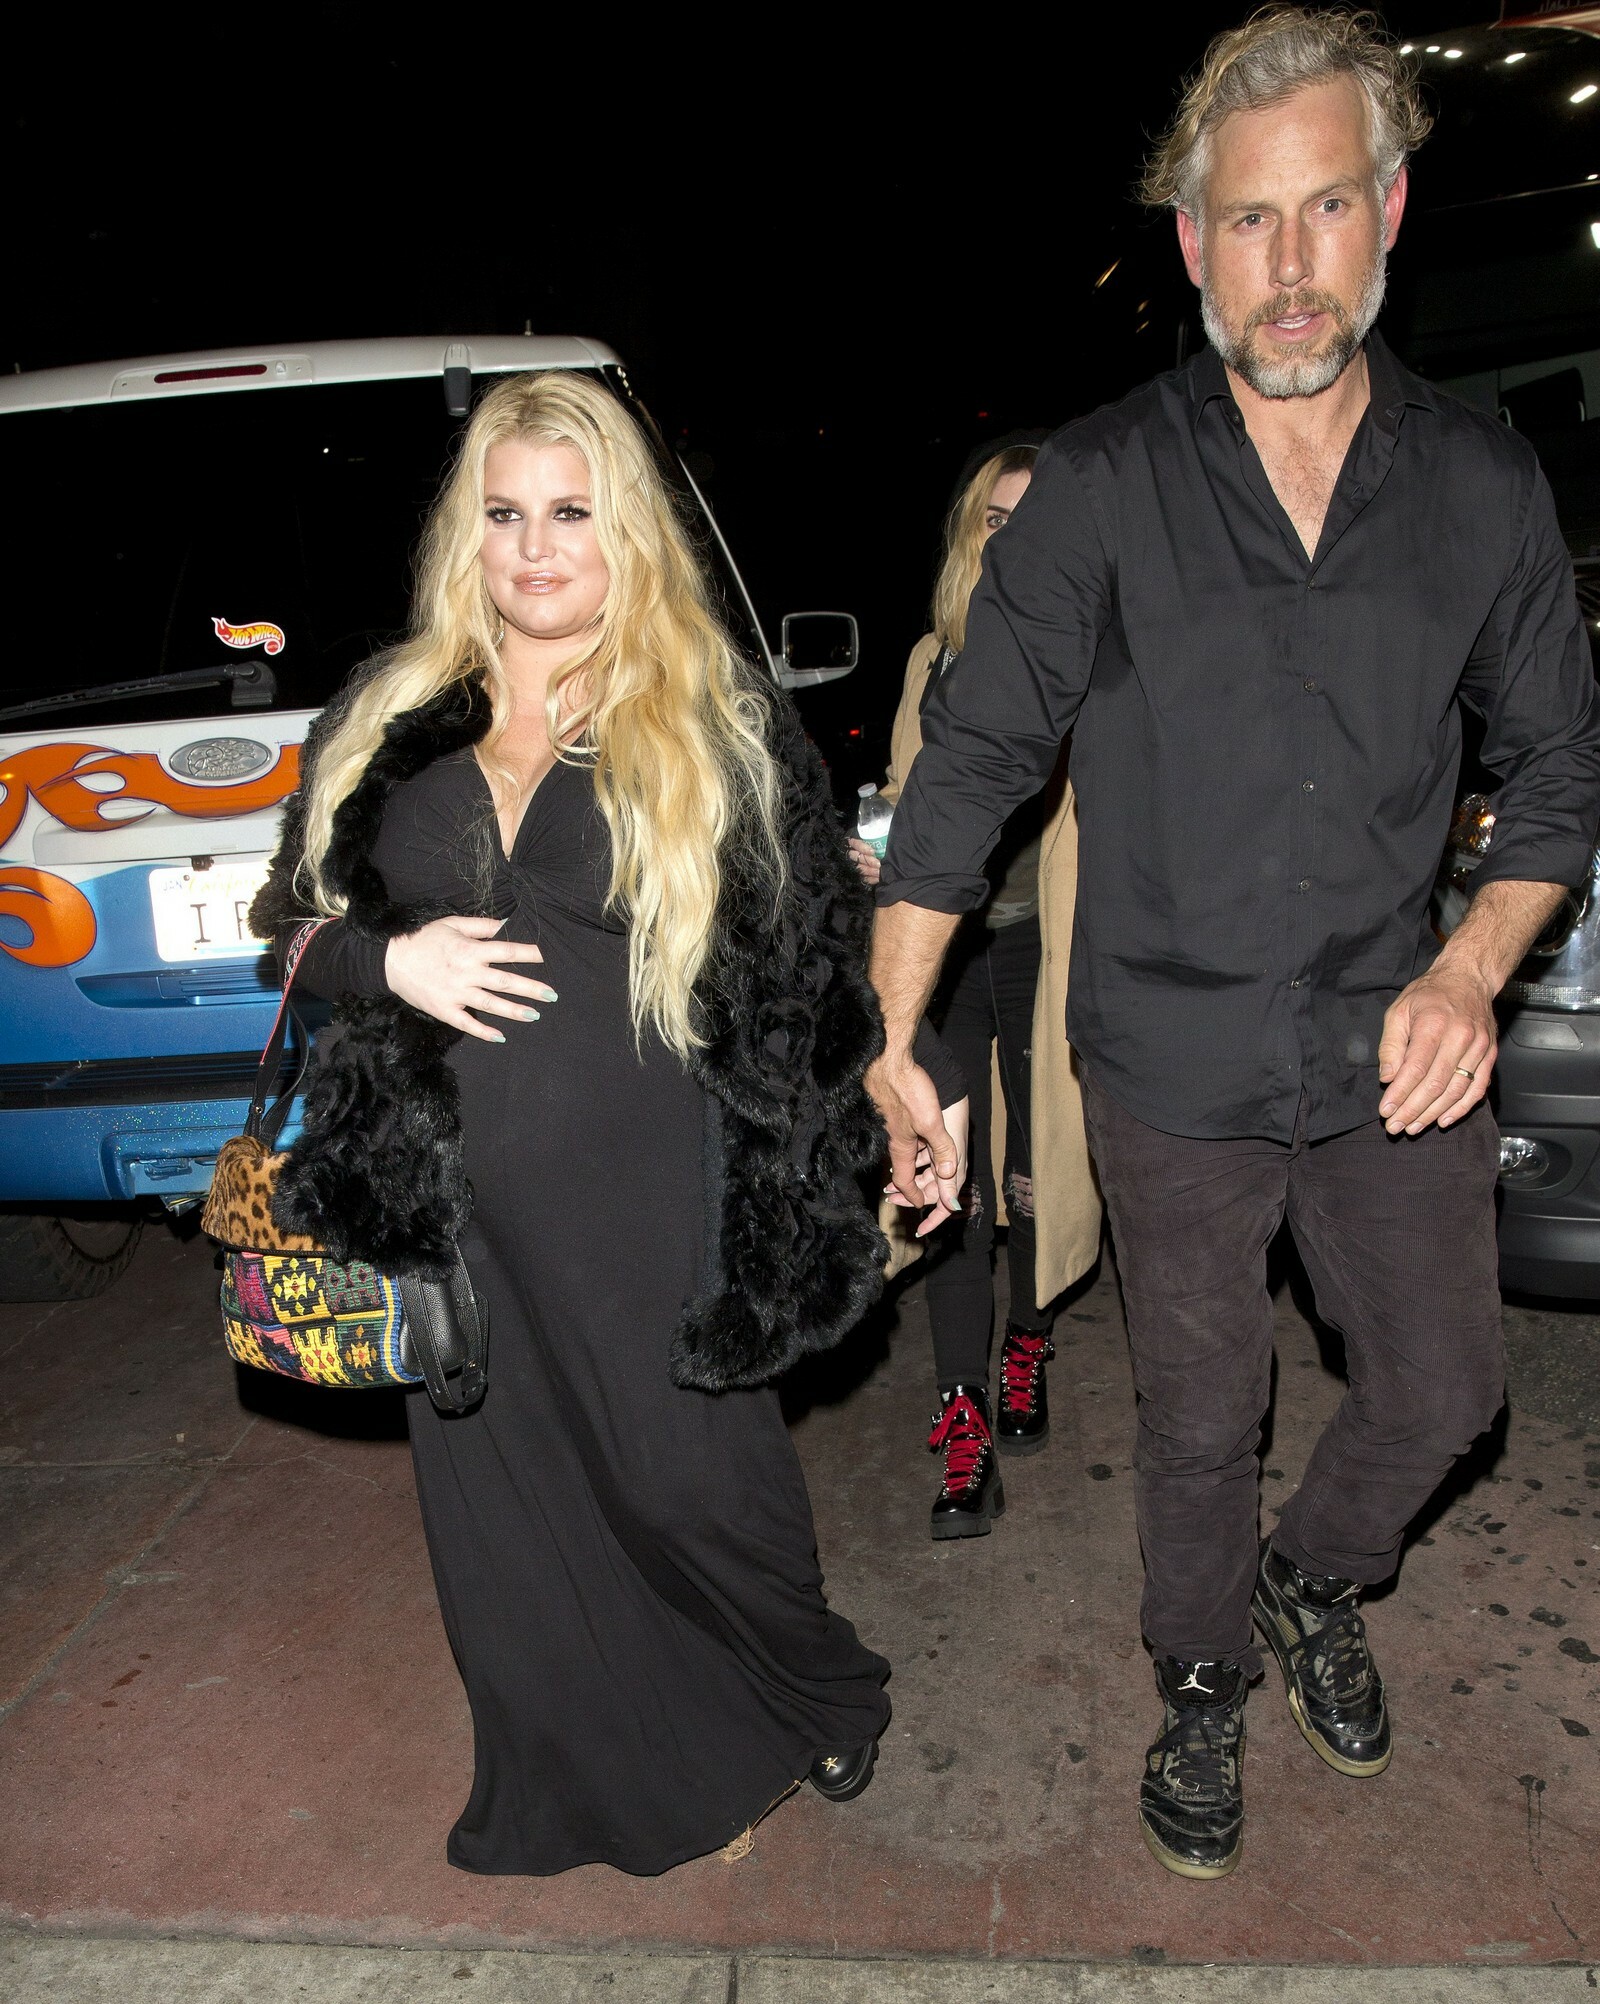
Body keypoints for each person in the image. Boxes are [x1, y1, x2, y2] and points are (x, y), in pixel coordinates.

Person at [864, 5, 1600, 1882]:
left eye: (1326, 206)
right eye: (1249, 220)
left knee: (1448, 1389)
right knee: (1203, 1415)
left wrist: (1470, 968)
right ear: (1193, 243)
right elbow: (970, 769)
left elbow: (1560, 772)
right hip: (1171, 1057)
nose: (1290, 265)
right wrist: (895, 1035)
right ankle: (1201, 1680)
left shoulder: (1483, 487)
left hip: (1390, 1039)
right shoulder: (1104, 487)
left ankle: (1315, 1577)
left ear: (1389, 210)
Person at [249, 371, 957, 1876]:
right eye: (504, 514)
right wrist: (389, 962)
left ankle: (822, 1687)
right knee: (515, 1529)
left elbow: (819, 952)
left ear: (625, 527)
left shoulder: (709, 718)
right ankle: (586, 1775)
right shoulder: (389, 718)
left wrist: (902, 1074)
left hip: (655, 1198)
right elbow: (286, 929)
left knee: (693, 1489)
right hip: (452, 1207)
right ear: (465, 535)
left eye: (570, 511)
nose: (535, 548)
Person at [849, 440, 1101, 1539]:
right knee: (949, 1175)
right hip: (946, 950)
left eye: (1033, 521)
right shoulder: (932, 657)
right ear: (971, 535)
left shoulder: (1099, 648)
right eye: (996, 520)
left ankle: (1027, 1342)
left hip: (1052, 946)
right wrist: (882, 850)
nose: (1013, 538)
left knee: (1040, 1167)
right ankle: (963, 1420)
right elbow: (914, 789)